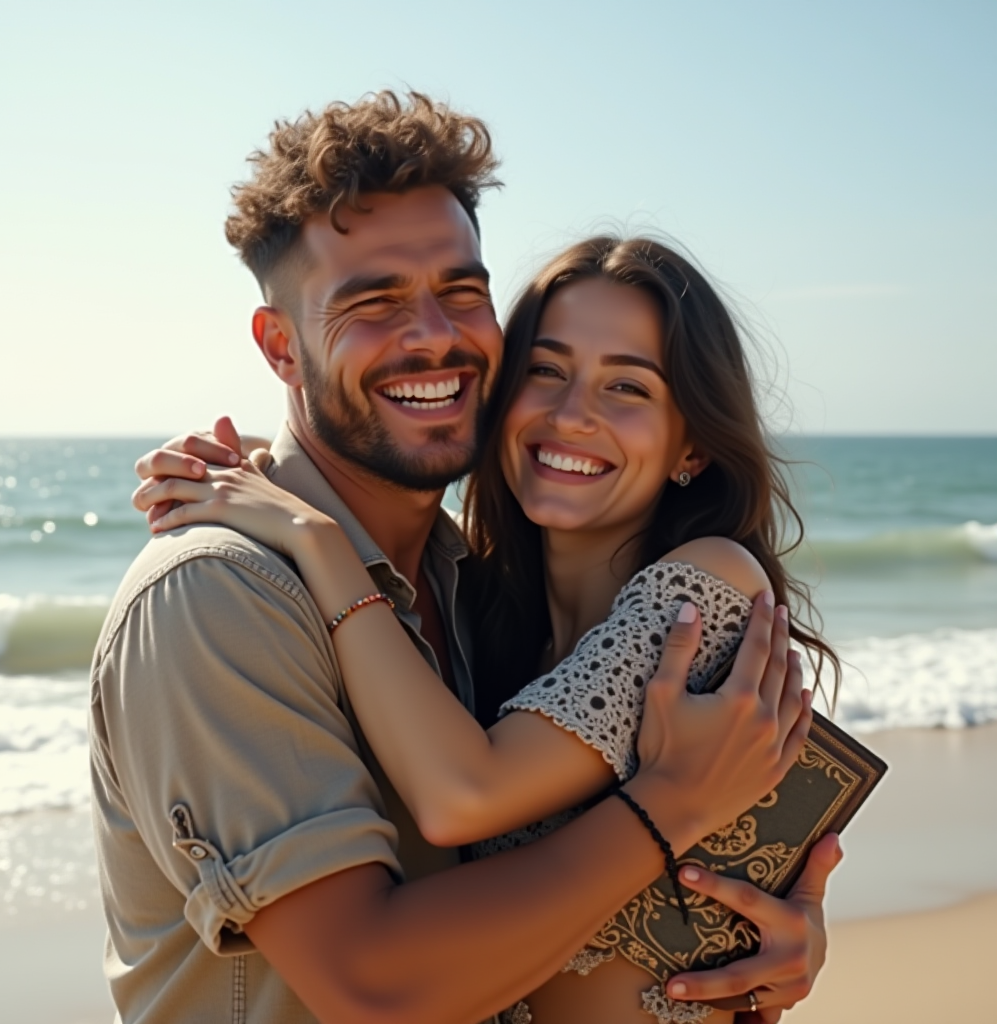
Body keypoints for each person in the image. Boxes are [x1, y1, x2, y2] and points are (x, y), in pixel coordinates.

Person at [99, 91, 838, 1024]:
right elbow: (375, 981)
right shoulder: (218, 593)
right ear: (281, 346)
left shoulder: (465, 585)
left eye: (460, 291)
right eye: (372, 301)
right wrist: (667, 813)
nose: (433, 336)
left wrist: (773, 928)